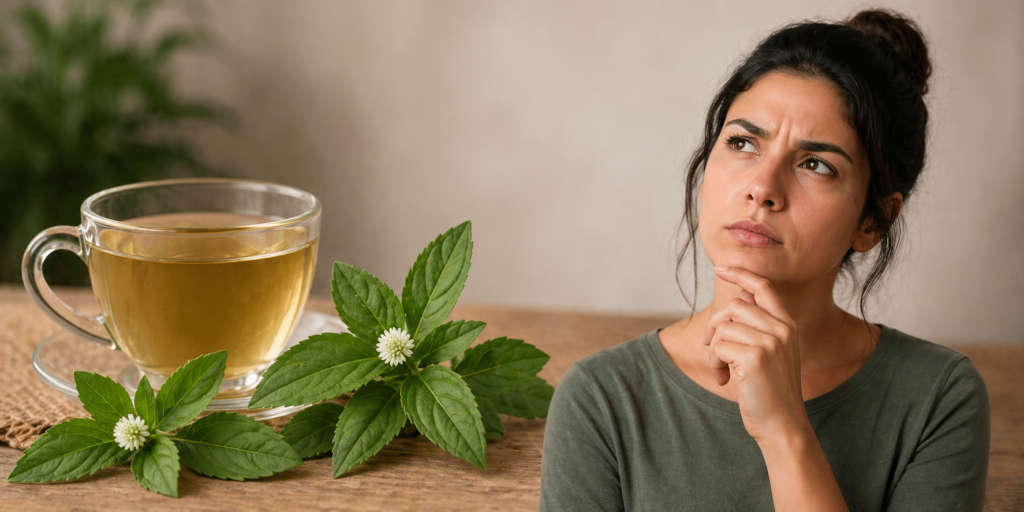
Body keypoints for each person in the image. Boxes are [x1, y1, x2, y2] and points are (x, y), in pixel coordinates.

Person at [539, 9, 990, 512]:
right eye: (743, 143)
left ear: (874, 221)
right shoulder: (603, 399)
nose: (763, 188)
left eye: (816, 164)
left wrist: (783, 430)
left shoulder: (936, 398)